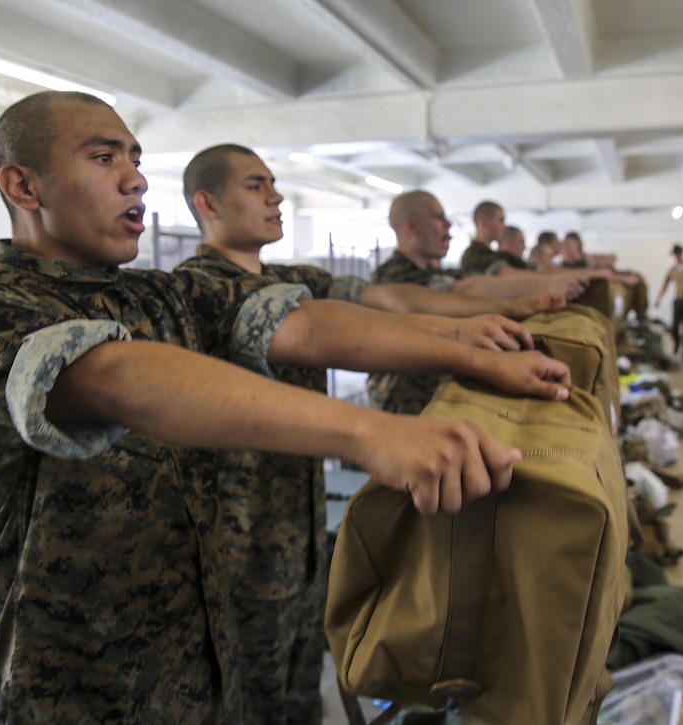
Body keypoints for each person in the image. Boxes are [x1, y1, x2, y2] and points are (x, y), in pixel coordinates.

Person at [0, 91, 571, 723]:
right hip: (88, 690)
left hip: (211, 658)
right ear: (23, 187)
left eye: (137, 159)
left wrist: (472, 351)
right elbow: (119, 375)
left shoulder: (164, 298)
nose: (135, 181)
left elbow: (306, 326)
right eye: (103, 158)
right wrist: (371, 433)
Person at [173, 143, 568, 722]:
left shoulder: (293, 277)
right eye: (257, 185)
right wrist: (468, 352)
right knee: (248, 696)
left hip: (298, 527)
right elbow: (311, 333)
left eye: (274, 183)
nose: (276, 195)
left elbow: (384, 301)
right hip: (238, 538)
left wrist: (465, 328)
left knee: (301, 686)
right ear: (207, 203)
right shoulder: (198, 288)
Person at [371, 190, 596, 413]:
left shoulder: (439, 272)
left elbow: (472, 283)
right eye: (438, 217)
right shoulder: (394, 276)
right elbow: (466, 290)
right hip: (405, 404)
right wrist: (542, 287)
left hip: (435, 395)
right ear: (411, 227)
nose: (448, 225)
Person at [458, 199, 508, 276]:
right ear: (484, 222)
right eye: (500, 221)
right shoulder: (474, 256)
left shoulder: (484, 253)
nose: (504, 227)